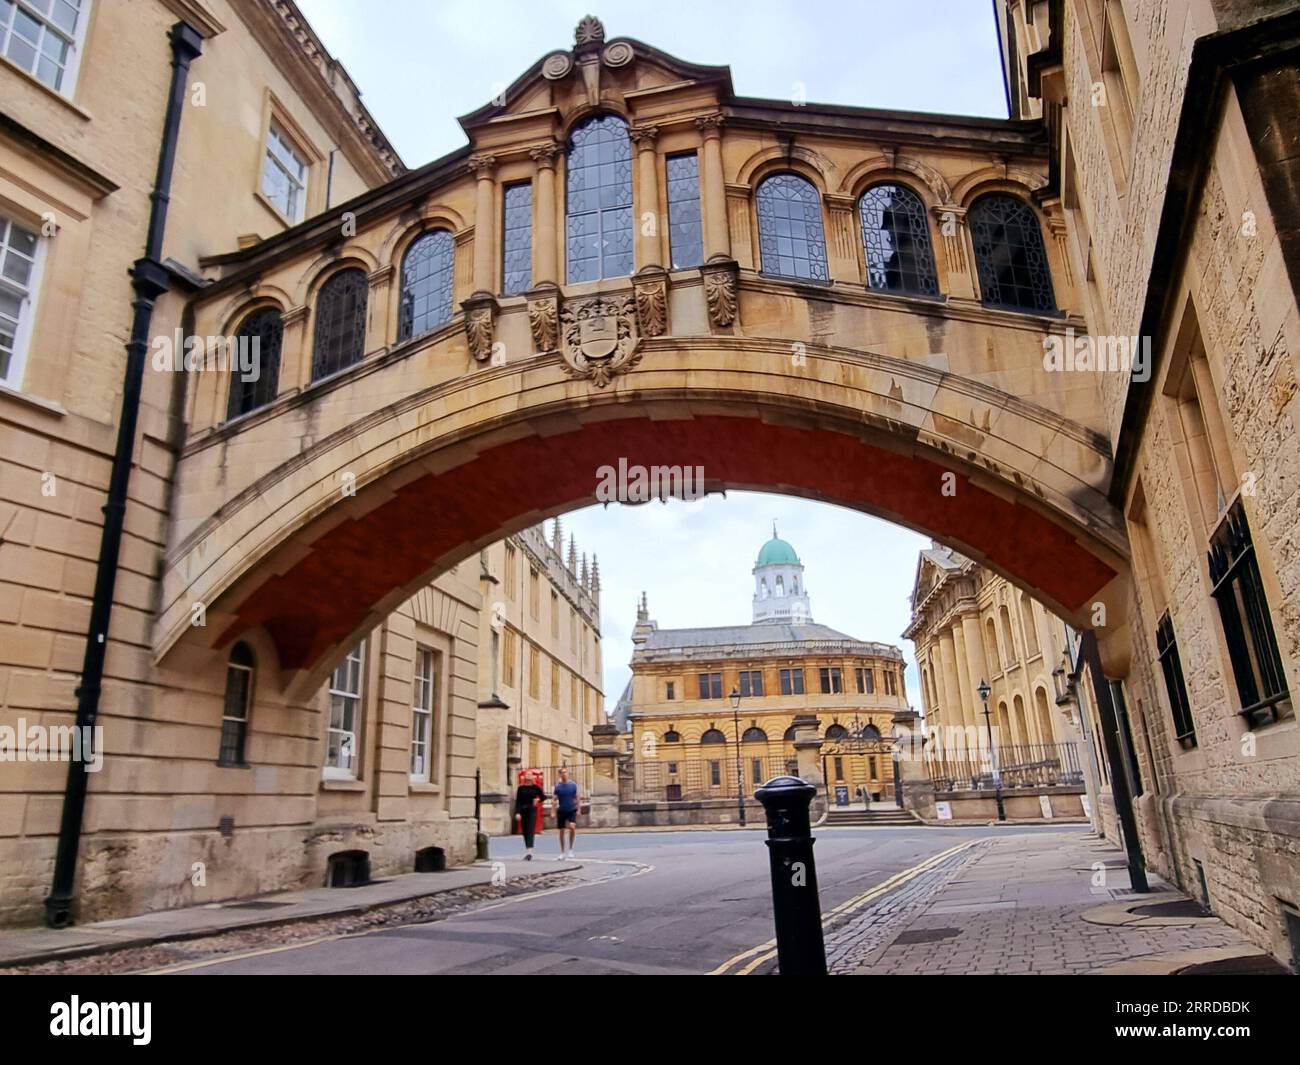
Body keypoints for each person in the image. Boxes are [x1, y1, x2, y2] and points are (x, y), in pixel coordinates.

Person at [513, 768, 545, 860]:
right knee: (525, 831)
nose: (529, 776)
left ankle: (529, 852)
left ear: (532, 777)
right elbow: (518, 801)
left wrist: (538, 800)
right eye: (527, 775)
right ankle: (527, 848)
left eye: (530, 775)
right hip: (523, 810)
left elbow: (543, 797)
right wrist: (517, 813)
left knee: (530, 830)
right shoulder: (521, 788)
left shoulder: (536, 787)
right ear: (524, 777)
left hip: (532, 810)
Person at [553, 766, 579, 859]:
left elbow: (577, 797)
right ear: (559, 774)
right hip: (561, 810)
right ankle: (562, 852)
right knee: (562, 831)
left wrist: (578, 809)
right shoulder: (558, 786)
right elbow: (554, 799)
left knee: (572, 827)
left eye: (565, 772)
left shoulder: (573, 785)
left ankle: (571, 849)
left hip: (571, 809)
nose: (564, 774)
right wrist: (553, 811)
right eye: (562, 773)